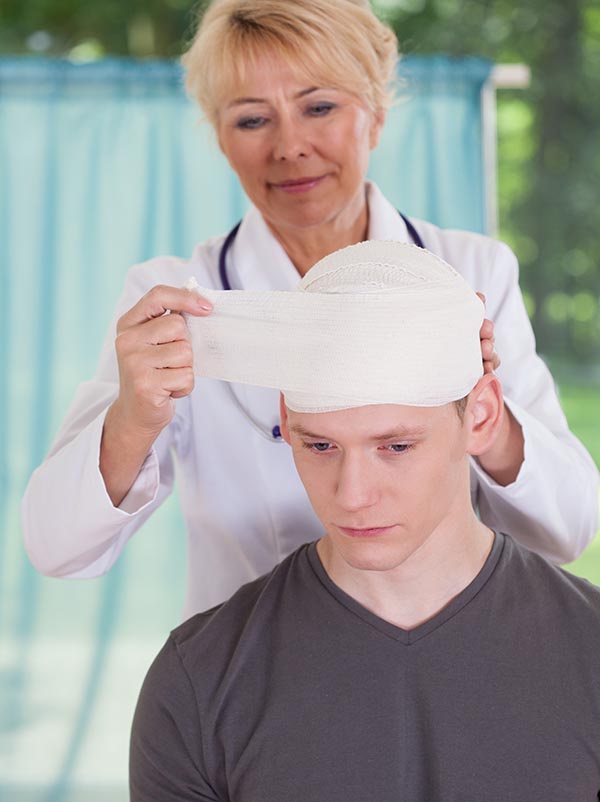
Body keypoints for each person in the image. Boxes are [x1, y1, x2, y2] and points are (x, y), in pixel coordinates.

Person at [22, 0, 599, 620]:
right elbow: (57, 548)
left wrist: (481, 409)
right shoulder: (176, 300)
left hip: (450, 663)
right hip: (254, 685)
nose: (290, 146)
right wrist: (133, 417)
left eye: (319, 107)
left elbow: (565, 531)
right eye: (251, 120)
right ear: (219, 136)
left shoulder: (472, 274)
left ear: (375, 116)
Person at [129, 241, 600, 801]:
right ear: (286, 418)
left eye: (396, 445)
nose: (351, 496)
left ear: (482, 415)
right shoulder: (196, 683)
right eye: (321, 444)